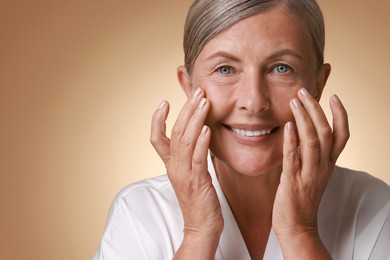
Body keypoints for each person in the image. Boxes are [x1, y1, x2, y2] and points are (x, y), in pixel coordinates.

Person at [93, 0, 390, 259]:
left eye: (281, 68)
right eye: (225, 69)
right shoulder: (139, 211)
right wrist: (198, 234)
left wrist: (300, 232)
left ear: (318, 84)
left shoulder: (376, 206)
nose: (253, 101)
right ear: (189, 85)